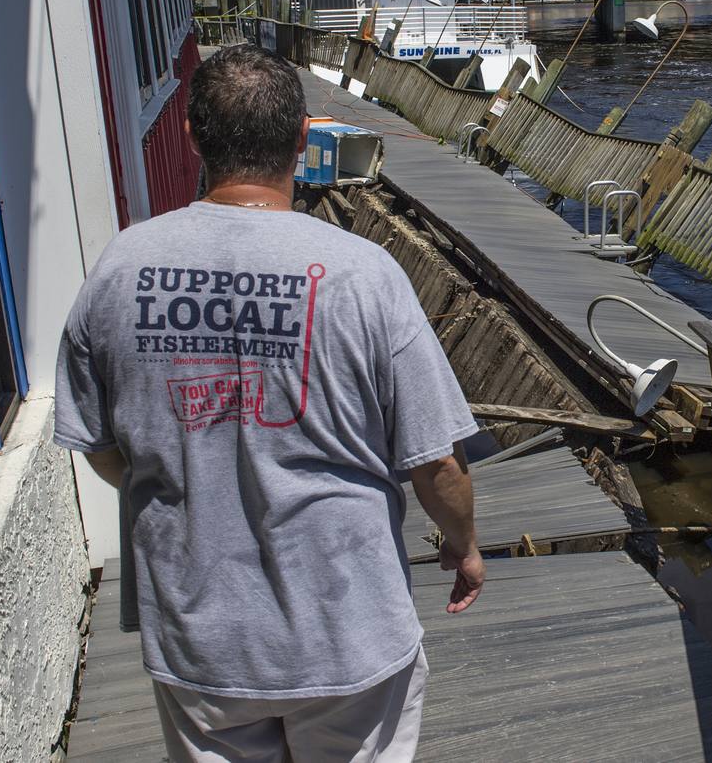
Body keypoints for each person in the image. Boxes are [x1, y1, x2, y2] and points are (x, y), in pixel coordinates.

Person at [54, 43, 484, 762]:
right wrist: (464, 545)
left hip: (199, 636)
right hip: (347, 627)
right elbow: (436, 461)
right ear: (302, 140)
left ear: (193, 138)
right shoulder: (364, 275)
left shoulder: (118, 270)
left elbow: (99, 446)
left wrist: (188, 485)